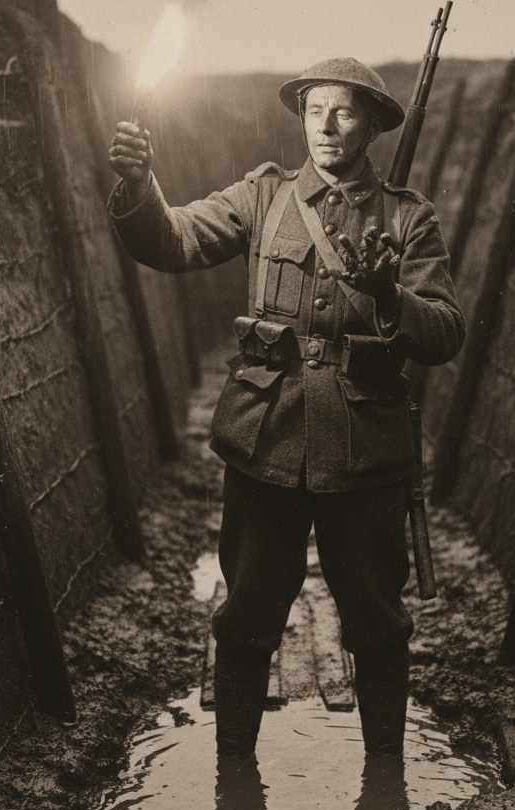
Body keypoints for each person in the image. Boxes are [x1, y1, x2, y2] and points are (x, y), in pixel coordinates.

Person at [107, 58, 465, 760]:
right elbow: (173, 239)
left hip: (365, 454)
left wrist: (392, 299)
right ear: (299, 116)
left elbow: (446, 332)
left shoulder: (408, 217)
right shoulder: (264, 196)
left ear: (372, 123)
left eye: (345, 112)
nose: (327, 127)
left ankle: (384, 788)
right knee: (244, 619)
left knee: (378, 624)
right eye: (314, 110)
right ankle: (235, 783)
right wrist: (136, 184)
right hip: (267, 445)